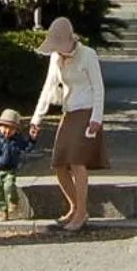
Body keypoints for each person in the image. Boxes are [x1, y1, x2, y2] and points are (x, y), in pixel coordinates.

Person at [29, 15, 107, 233]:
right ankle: (74, 206)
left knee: (77, 162)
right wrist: (37, 118)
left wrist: (96, 118)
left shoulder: (88, 55)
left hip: (86, 110)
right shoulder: (55, 58)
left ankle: (82, 212)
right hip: (68, 111)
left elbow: (99, 88)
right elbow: (48, 87)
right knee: (60, 164)